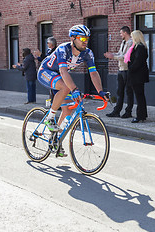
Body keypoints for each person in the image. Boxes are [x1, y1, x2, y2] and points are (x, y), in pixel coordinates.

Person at [37, 25, 109, 156]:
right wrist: (74, 89)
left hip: (61, 77)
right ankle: (50, 117)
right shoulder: (63, 49)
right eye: (81, 38)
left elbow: (93, 73)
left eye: (86, 38)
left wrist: (100, 92)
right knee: (66, 87)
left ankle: (55, 140)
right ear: (73, 38)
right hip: (46, 72)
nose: (85, 41)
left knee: (69, 109)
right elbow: (63, 71)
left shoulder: (87, 53)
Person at [104, 26, 134, 118]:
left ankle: (128, 112)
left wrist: (113, 57)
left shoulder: (131, 43)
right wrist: (112, 55)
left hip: (127, 70)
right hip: (121, 70)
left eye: (121, 33)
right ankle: (117, 111)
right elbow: (120, 54)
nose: (120, 35)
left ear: (125, 33)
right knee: (119, 92)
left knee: (129, 92)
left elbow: (125, 57)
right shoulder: (123, 42)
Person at [125, 30, 149, 123]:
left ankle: (140, 116)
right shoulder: (139, 47)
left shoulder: (140, 47)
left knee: (139, 96)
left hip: (137, 75)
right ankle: (142, 115)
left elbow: (138, 61)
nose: (131, 38)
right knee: (140, 96)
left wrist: (130, 68)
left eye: (132, 36)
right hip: (138, 75)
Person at [34, 37, 58, 105]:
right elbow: (45, 60)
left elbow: (49, 60)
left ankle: (55, 104)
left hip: (53, 72)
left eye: (48, 43)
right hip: (49, 72)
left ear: (51, 43)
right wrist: (39, 57)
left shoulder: (55, 51)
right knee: (51, 89)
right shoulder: (49, 50)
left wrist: (40, 55)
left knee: (55, 89)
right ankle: (53, 103)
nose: (47, 44)